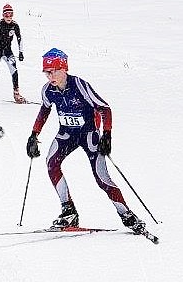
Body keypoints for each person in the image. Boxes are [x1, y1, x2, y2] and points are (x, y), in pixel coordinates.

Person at [25, 48, 146, 233]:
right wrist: (34, 135)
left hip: (89, 135)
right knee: (51, 164)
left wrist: (107, 135)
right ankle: (68, 211)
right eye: (46, 73)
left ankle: (127, 215)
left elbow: (104, 108)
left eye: (53, 71)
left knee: (102, 178)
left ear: (63, 68)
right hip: (66, 134)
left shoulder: (79, 85)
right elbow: (44, 111)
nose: (50, 77)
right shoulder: (48, 90)